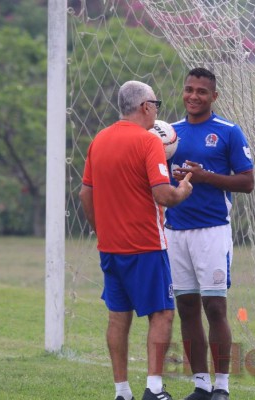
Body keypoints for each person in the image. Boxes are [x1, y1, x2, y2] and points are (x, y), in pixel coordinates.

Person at [79, 80, 193, 400]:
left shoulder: (99, 140)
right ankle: (154, 390)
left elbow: (85, 194)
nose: (157, 110)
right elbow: (163, 195)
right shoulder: (148, 142)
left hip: (110, 247)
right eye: (155, 104)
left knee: (118, 316)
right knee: (162, 313)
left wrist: (101, 230)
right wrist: (183, 190)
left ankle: (122, 392)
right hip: (145, 245)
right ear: (145, 107)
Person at [164, 68, 255, 400]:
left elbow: (247, 182)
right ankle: (201, 384)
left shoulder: (228, 132)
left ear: (213, 97)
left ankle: (222, 387)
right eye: (189, 89)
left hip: (212, 231)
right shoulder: (167, 134)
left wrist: (205, 177)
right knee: (186, 306)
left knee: (215, 307)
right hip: (175, 230)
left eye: (202, 91)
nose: (193, 96)